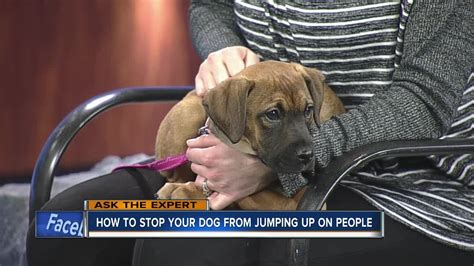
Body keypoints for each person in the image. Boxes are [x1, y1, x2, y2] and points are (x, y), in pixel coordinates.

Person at [27, 1, 473, 265]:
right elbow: (211, 4)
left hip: (402, 176)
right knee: (67, 225)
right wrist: (224, 51)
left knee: (183, 247)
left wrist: (268, 165)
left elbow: (424, 98)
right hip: (245, 143)